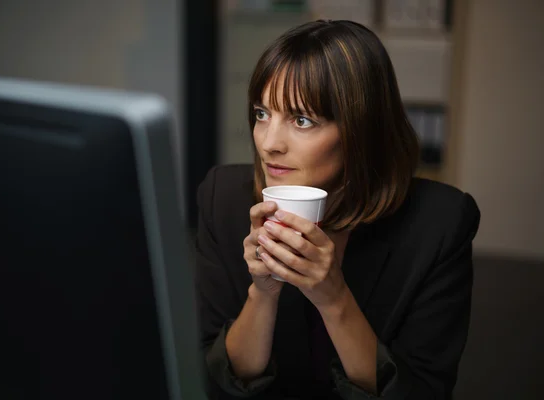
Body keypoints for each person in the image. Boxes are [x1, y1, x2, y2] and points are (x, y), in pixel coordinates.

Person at [194, 20, 480, 400]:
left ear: (362, 130)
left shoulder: (439, 224)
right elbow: (214, 383)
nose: (269, 144)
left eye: (301, 120)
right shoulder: (225, 199)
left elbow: (422, 390)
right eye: (262, 114)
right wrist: (263, 293)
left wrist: (332, 296)